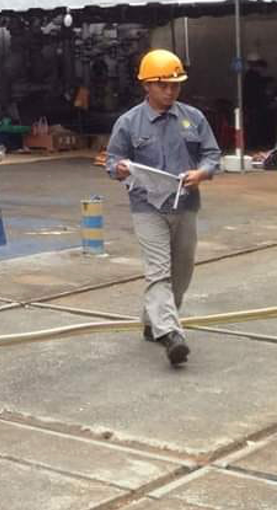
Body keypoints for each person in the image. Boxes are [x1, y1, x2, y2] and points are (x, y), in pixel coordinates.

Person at [105, 49, 220, 368]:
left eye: (175, 85)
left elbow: (212, 154)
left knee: (182, 272)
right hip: (147, 207)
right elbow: (112, 161)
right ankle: (171, 335)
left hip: (186, 204)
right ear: (147, 85)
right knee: (158, 271)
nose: (170, 91)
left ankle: (152, 321)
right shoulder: (129, 123)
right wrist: (120, 169)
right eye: (163, 85)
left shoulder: (193, 118)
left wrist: (202, 173)